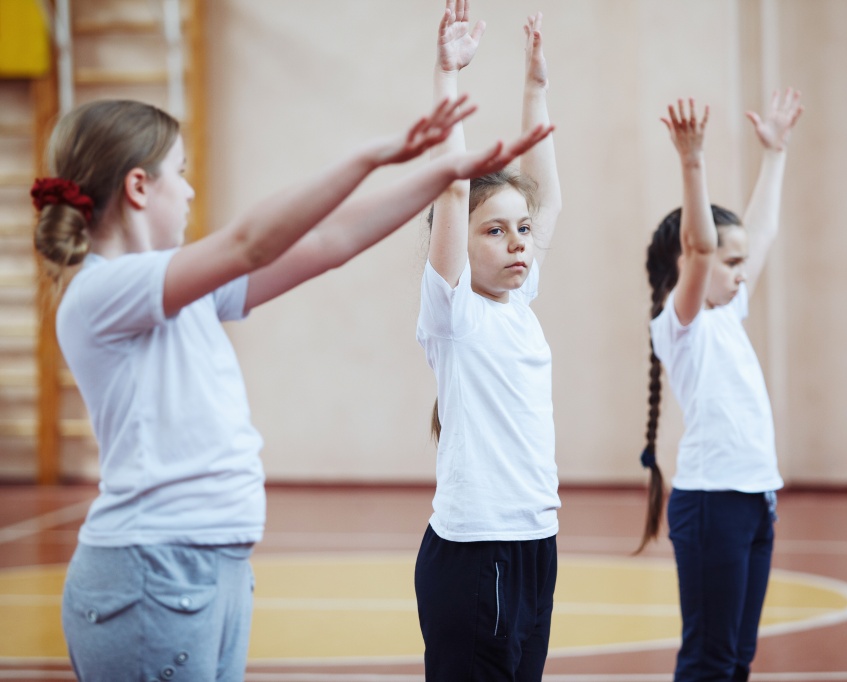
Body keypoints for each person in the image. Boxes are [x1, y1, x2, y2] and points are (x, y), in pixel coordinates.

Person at [32, 95, 548, 682]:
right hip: (151, 572)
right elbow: (250, 242)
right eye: (181, 172)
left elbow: (328, 244)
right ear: (138, 187)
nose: (191, 190)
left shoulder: (183, 289)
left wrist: (441, 174)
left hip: (211, 567)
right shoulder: (102, 294)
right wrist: (369, 157)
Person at [413, 1, 561, 679]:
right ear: (460, 245)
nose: (517, 243)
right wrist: (448, 75)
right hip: (479, 552)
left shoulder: (518, 302)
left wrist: (536, 86)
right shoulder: (454, 314)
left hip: (534, 542)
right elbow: (452, 190)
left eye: (521, 230)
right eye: (494, 230)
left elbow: (547, 198)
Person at [638, 90, 803, 681]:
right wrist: (692, 161)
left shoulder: (728, 311)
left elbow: (758, 234)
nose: (741, 272)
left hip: (755, 498)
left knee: (737, 658)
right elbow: (703, 245)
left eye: (740, 264)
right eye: (728, 265)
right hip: (713, 505)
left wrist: (776, 155)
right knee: (709, 660)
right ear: (689, 265)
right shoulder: (680, 326)